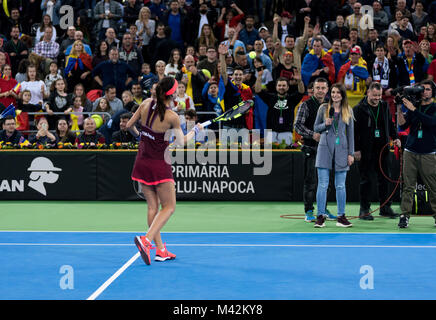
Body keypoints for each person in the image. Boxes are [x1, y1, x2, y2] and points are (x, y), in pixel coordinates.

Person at [127, 77, 202, 265]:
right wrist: (196, 131)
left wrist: (143, 138)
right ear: (171, 93)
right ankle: (146, 240)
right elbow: (182, 142)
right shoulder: (172, 117)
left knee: (153, 207)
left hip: (141, 161)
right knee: (169, 207)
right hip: (159, 165)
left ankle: (160, 250)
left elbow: (129, 126)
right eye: (176, 89)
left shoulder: (144, 104)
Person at [354, 82, 401, 220]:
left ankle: (385, 208)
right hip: (365, 150)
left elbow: (390, 124)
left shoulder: (384, 105)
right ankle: (364, 210)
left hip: (383, 150)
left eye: (379, 95)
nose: (377, 98)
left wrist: (396, 137)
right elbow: (354, 132)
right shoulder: (358, 109)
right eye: (374, 95)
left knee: (385, 180)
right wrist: (356, 149)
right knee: (366, 180)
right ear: (368, 93)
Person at [294, 77, 337, 222]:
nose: (320, 91)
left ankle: (323, 209)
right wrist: (313, 134)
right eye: (317, 88)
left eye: (323, 88)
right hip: (311, 148)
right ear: (313, 90)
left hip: (327, 149)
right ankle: (309, 211)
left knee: (326, 182)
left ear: (327, 90)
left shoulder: (331, 105)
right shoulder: (305, 105)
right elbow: (298, 125)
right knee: (311, 181)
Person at [313, 83, 355, 228]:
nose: (335, 95)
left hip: (342, 150)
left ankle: (341, 216)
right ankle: (320, 216)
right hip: (324, 149)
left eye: (338, 92)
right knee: (323, 185)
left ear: (342, 95)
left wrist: (351, 154)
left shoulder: (348, 110)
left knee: (341, 186)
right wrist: (325, 124)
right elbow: (315, 128)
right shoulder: (323, 108)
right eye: (333, 92)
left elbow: (351, 135)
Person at [396, 80, 436, 228]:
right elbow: (403, 125)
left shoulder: (433, 107)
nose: (424, 91)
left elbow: (431, 122)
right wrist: (400, 108)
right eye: (423, 89)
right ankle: (404, 215)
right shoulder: (415, 106)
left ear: (433, 92)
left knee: (433, 186)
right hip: (410, 151)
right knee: (408, 186)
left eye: (428, 89)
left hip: (429, 153)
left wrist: (413, 110)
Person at [254, 75, 304, 146]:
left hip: (286, 132)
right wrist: (259, 77)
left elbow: (301, 92)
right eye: (279, 85)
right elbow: (258, 90)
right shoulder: (271, 98)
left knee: (285, 155)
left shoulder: (292, 99)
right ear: (276, 87)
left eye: (284, 85)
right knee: (270, 156)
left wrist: (299, 81)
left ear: (288, 87)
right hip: (271, 132)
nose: (281, 87)